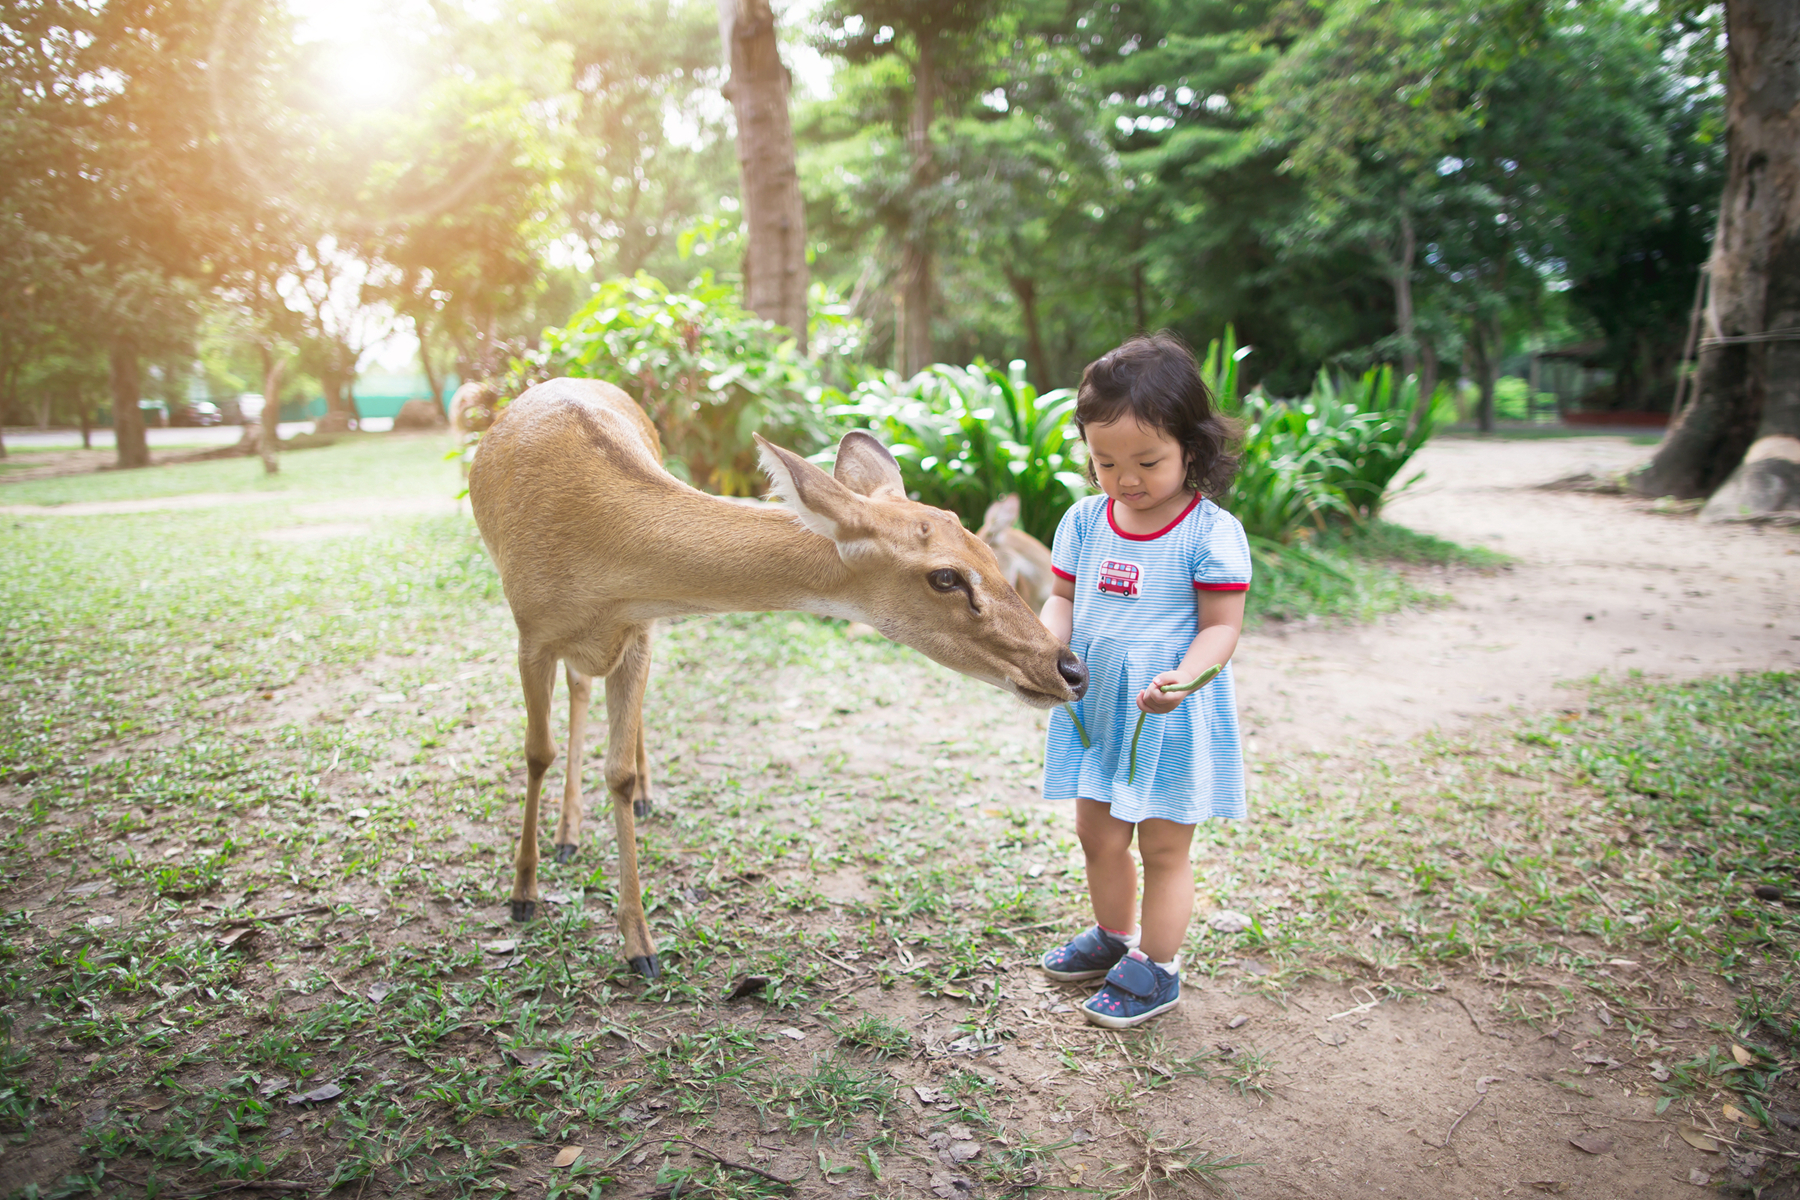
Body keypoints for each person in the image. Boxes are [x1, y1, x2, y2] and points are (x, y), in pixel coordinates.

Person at [1038, 331, 1250, 1028]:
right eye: (1105, 461)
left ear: (1193, 447)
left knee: (1162, 847)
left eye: (1148, 460)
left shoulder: (1208, 532)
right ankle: (1115, 937)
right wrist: (1048, 643)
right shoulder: (1083, 522)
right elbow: (1063, 599)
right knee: (1096, 835)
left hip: (1170, 715)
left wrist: (1186, 678)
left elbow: (1221, 627)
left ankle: (1159, 967)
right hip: (1097, 708)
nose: (1126, 479)